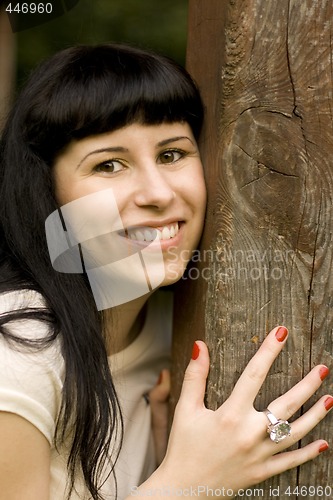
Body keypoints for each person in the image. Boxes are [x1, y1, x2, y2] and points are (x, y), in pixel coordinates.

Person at [0, 43, 331, 500]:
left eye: (172, 154)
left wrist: (157, 461)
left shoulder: (170, 330)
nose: (156, 193)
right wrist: (190, 482)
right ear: (47, 195)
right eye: (109, 165)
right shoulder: (17, 354)